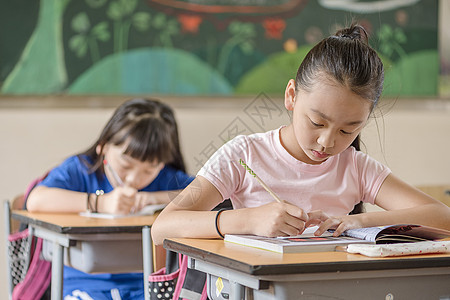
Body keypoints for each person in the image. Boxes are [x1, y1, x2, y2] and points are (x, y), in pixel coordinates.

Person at [151, 24, 450, 246]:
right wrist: (249, 220)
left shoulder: (355, 167)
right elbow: (163, 226)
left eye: (349, 129)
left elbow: (441, 216)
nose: (327, 142)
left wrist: (357, 221)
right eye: (317, 122)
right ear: (292, 96)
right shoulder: (244, 155)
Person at [27, 98, 194, 299]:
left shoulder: (166, 178)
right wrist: (101, 203)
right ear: (103, 147)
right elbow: (36, 200)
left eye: (149, 169)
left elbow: (207, 193)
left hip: (146, 285)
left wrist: (153, 198)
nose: (133, 179)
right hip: (84, 285)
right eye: (125, 164)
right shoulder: (81, 170)